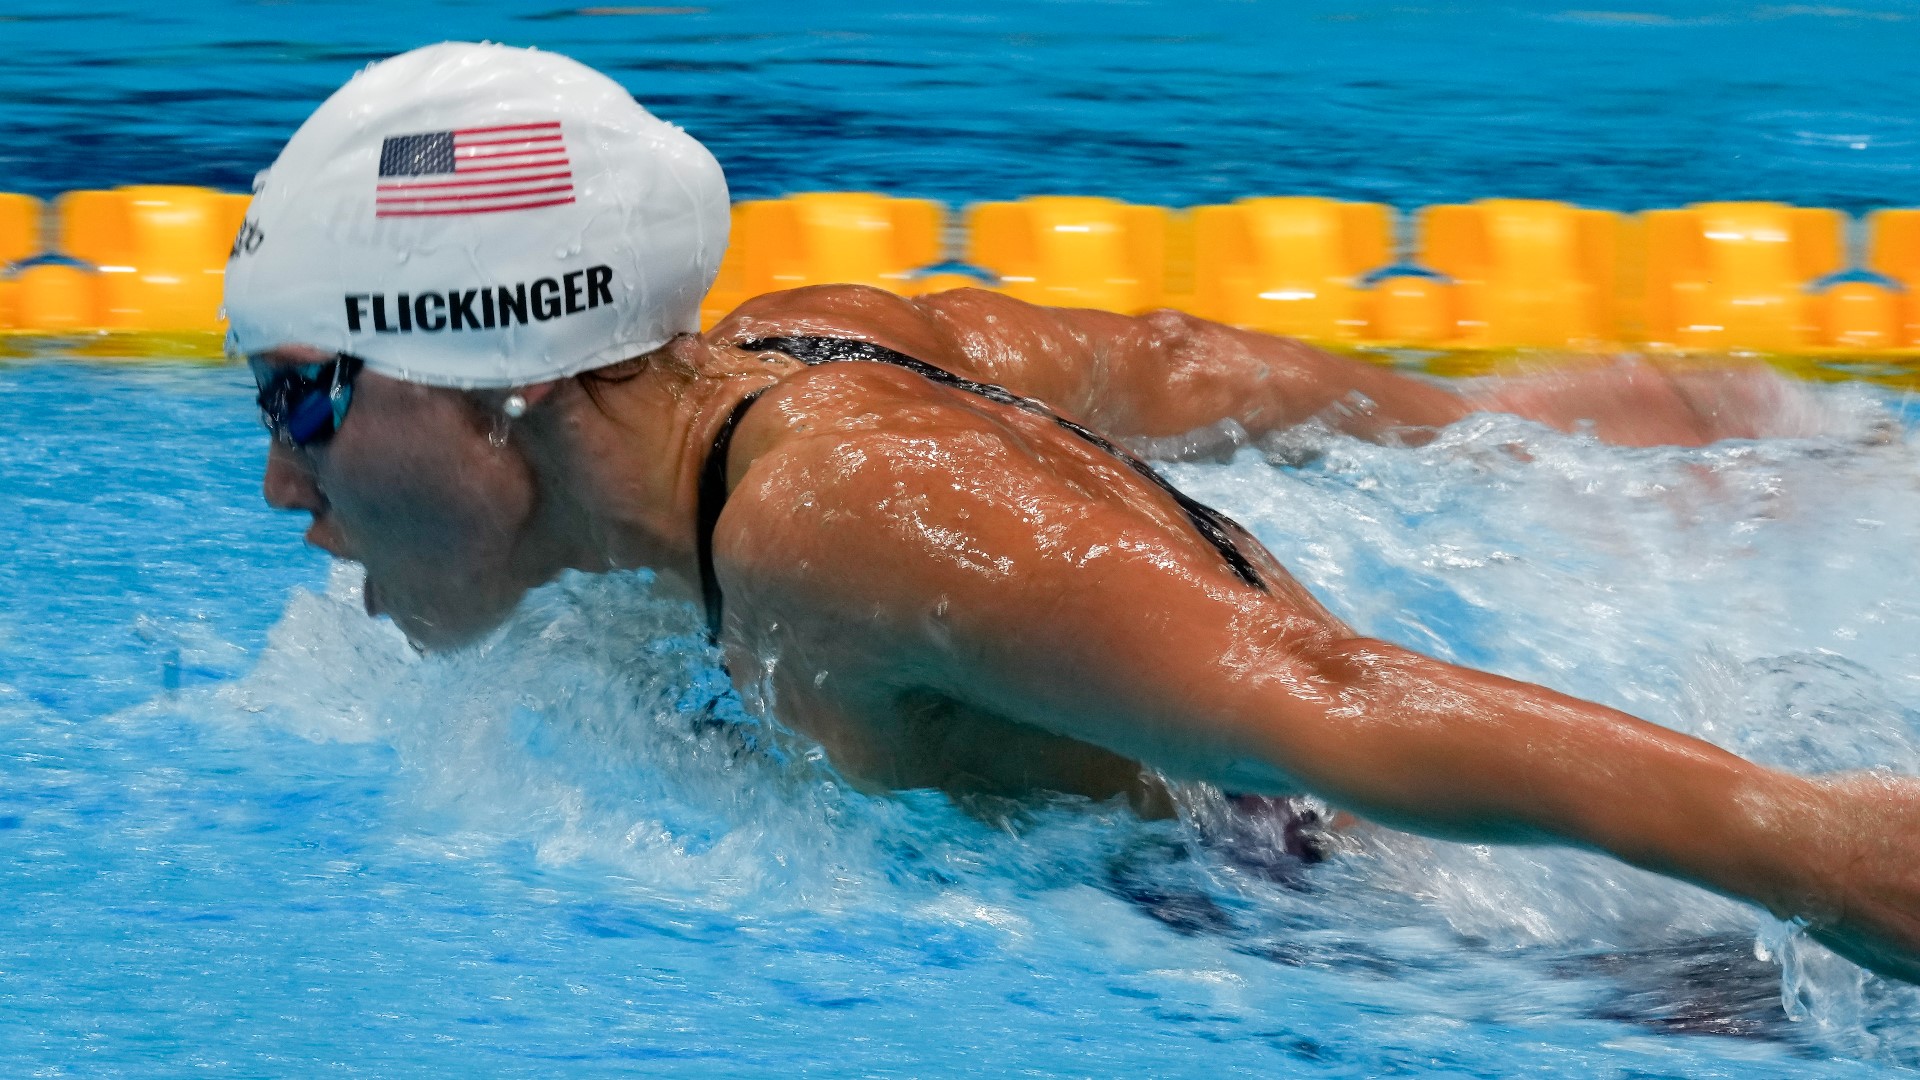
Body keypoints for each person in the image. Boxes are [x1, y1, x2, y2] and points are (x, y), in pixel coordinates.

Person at [225, 42, 1920, 984]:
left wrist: (1826, 856)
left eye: (303, 398)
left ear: (498, 380)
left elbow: (1319, 701)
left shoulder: (839, 521)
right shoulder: (792, 354)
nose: (283, 476)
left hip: (1483, 939)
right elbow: (1168, 361)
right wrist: (1493, 427)